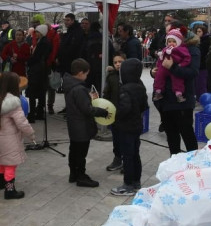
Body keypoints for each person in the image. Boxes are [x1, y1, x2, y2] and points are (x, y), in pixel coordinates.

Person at [0, 71, 36, 200]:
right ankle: (10, 190)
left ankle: (1, 182)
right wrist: (31, 134)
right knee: (11, 164)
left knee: (1, 160)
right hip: (10, 139)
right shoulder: (13, 103)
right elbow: (22, 123)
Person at [63, 58, 109, 188]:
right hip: (82, 127)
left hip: (74, 125)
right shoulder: (79, 89)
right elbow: (87, 109)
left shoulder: (69, 84)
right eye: (86, 74)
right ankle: (81, 176)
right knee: (81, 153)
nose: (87, 77)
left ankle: (73, 173)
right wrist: (102, 112)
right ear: (80, 73)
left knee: (74, 150)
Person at [158, 28, 201, 155]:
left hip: (183, 100)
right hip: (166, 99)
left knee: (186, 132)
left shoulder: (192, 50)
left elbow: (192, 72)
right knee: (171, 134)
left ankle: (193, 160)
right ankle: (174, 160)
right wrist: (154, 72)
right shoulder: (167, 48)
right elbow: (160, 66)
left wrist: (173, 67)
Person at [110, 57, 148, 196]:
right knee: (135, 154)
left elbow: (123, 109)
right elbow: (144, 106)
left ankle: (128, 185)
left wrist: (114, 114)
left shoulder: (125, 89)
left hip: (126, 127)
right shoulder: (140, 87)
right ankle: (136, 181)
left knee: (127, 156)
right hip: (136, 126)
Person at [153, 29, 192, 102]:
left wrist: (181, 64)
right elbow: (161, 59)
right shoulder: (165, 49)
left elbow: (187, 58)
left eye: (174, 41)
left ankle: (179, 94)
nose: (171, 43)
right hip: (164, 66)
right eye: (169, 41)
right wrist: (158, 66)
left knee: (177, 79)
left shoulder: (181, 49)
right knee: (159, 76)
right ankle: (158, 91)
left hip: (175, 66)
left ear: (178, 42)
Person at [103, 55, 125, 172]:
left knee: (127, 139)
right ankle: (117, 159)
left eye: (120, 61)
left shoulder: (130, 75)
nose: (117, 64)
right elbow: (106, 94)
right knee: (116, 138)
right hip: (115, 113)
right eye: (115, 62)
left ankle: (127, 162)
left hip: (127, 115)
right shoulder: (111, 77)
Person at [26, 24, 52, 123]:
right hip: (41, 70)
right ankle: (39, 113)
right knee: (41, 93)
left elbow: (36, 57)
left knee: (33, 92)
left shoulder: (43, 43)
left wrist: (29, 62)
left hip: (37, 70)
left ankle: (32, 114)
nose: (35, 33)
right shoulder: (43, 41)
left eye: (37, 32)